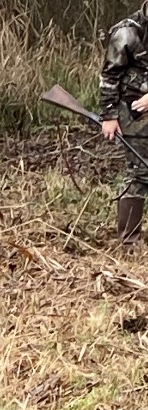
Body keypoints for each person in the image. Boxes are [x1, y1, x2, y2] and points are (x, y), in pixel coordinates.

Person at [101, 1, 148, 243]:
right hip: (134, 113)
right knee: (140, 171)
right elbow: (110, 75)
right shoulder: (127, 31)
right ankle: (129, 240)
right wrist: (109, 116)